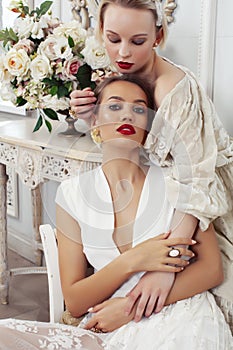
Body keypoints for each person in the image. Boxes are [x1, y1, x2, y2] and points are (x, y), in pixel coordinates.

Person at [0, 75, 232, 349]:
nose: (128, 116)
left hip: (181, 314)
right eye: (115, 106)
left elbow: (211, 270)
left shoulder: (177, 182)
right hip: (107, 321)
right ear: (95, 119)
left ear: (148, 126)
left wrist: (129, 308)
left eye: (138, 109)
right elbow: (74, 301)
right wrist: (133, 260)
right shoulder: (72, 194)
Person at [70, 0, 233, 330]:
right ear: (102, 32)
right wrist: (91, 117)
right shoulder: (126, 72)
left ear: (158, 37)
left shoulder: (174, 91)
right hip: (161, 196)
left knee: (195, 296)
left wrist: (165, 267)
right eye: (114, 39)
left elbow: (196, 182)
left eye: (138, 41)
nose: (124, 53)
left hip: (198, 200)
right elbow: (130, 141)